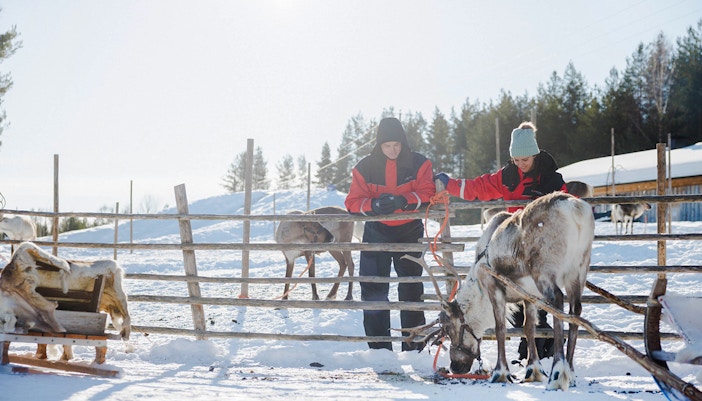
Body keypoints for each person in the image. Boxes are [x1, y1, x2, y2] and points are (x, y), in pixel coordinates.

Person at [435, 121, 566, 361]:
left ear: (534, 154)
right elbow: (479, 187)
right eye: (516, 159)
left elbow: (568, 206)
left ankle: (544, 347)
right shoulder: (507, 177)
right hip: (513, 245)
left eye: (524, 160)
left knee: (542, 299)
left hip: (542, 245)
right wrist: (450, 184)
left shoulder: (552, 180)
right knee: (517, 299)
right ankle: (529, 346)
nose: (520, 164)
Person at [345, 117, 436, 352]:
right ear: (379, 145)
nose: (392, 150)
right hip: (376, 232)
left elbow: (427, 191)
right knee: (374, 289)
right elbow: (352, 201)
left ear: (403, 142)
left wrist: (405, 200)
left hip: (410, 231)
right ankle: (379, 349)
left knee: (411, 288)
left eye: (396, 145)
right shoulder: (364, 167)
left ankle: (414, 347)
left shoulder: (419, 163)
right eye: (387, 146)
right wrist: (373, 206)